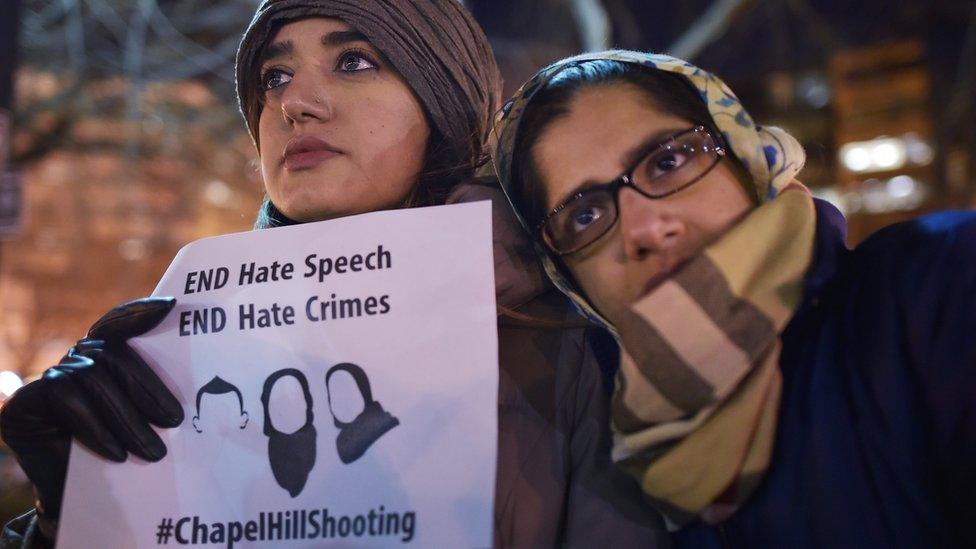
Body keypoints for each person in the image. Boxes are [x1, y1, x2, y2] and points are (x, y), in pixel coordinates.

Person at [0, 4, 667, 548]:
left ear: (444, 100)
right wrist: (73, 506)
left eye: (354, 61)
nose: (297, 103)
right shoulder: (172, 351)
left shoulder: (582, 343)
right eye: (273, 78)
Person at [491, 49, 976, 547]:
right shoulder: (620, 464)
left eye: (668, 161)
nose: (646, 229)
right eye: (585, 216)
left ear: (743, 158)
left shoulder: (936, 290)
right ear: (570, 278)